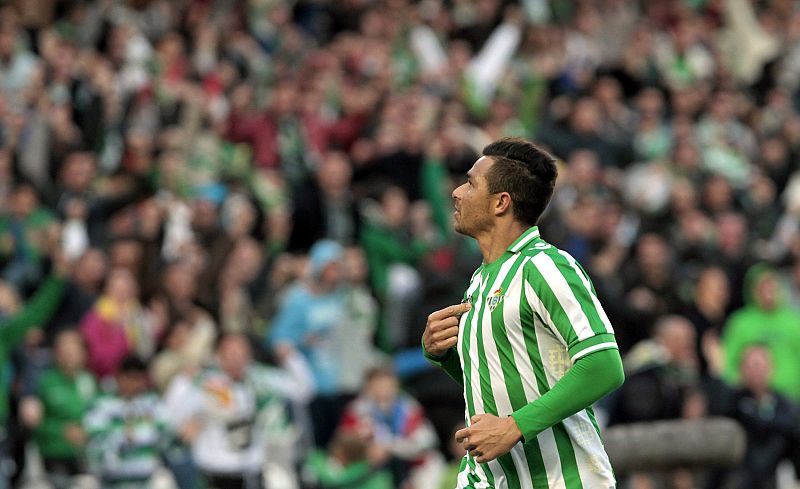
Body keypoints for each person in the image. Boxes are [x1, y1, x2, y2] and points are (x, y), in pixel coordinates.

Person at [422, 137, 624, 488]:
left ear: (501, 203)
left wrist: (513, 427)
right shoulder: (479, 281)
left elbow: (604, 366)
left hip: (565, 479)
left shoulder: (545, 266)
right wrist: (443, 355)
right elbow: (498, 378)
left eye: (470, 183)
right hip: (492, 479)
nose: (456, 192)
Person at [164, 332, 314, 489]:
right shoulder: (206, 383)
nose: (236, 358)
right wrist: (182, 380)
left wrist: (291, 358)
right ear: (218, 355)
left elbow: (303, 390)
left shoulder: (260, 378)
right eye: (230, 353)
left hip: (252, 469)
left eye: (241, 352)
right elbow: (171, 416)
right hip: (215, 468)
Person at [84, 355, 170, 488]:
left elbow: (165, 436)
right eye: (130, 378)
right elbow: (93, 441)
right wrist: (122, 436)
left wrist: (135, 434)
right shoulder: (101, 404)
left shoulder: (153, 403)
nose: (135, 384)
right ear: (118, 377)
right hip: (110, 482)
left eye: (139, 379)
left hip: (146, 482)